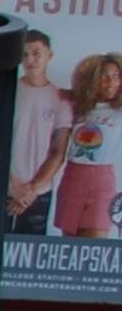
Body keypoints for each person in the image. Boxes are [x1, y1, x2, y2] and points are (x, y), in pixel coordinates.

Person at [12, 29, 73, 234]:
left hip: (39, 192)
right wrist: (15, 186)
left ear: (49, 55)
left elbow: (58, 152)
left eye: (36, 52)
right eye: (24, 54)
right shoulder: (8, 92)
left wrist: (32, 190)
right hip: (5, 188)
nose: (30, 59)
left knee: (28, 256)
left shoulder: (61, 99)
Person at [61, 52, 122, 241]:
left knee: (94, 245)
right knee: (69, 245)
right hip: (73, 176)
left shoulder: (119, 109)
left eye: (116, 76)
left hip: (102, 179)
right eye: (104, 76)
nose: (111, 82)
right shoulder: (73, 105)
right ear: (91, 79)